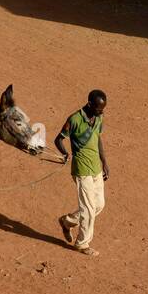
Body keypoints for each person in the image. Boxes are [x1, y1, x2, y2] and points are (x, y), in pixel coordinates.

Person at [55, 89, 109, 256]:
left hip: (96, 168)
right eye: (99, 108)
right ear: (90, 104)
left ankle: (67, 221)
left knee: (99, 204)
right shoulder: (74, 119)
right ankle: (82, 244)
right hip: (82, 169)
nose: (102, 111)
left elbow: (98, 138)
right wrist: (65, 153)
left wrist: (104, 161)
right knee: (88, 209)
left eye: (103, 108)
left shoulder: (99, 117)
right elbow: (58, 139)